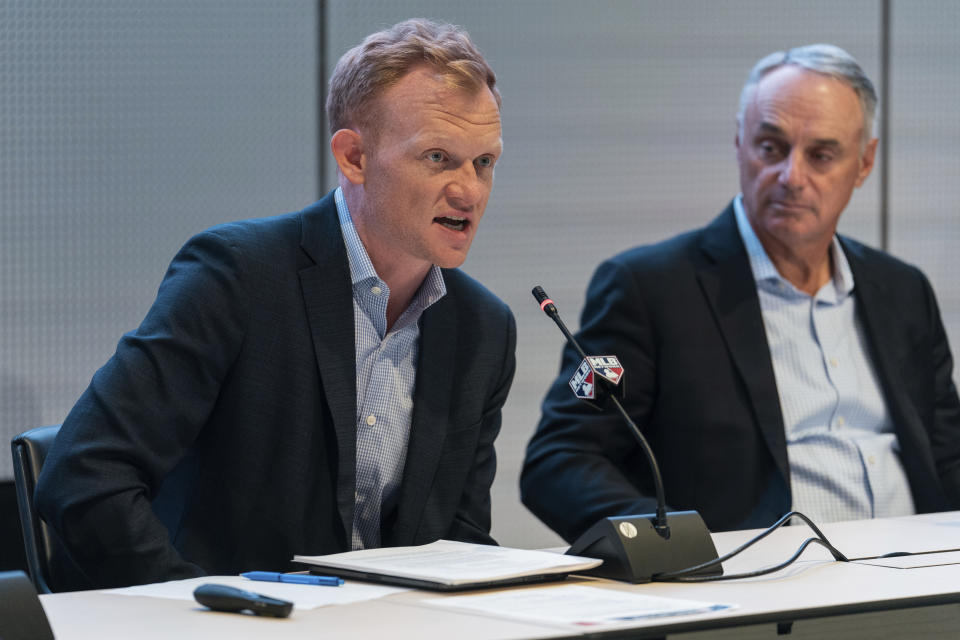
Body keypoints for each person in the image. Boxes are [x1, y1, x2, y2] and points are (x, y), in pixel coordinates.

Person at [36, 18, 515, 590]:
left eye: (483, 162)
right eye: (438, 157)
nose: (469, 190)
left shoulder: (483, 328)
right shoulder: (238, 275)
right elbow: (85, 477)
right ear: (354, 157)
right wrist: (205, 613)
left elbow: (458, 543)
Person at [521, 44, 960, 543]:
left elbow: (946, 458)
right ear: (738, 142)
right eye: (771, 147)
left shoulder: (901, 291)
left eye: (821, 155)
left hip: (922, 581)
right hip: (761, 592)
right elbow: (560, 462)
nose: (792, 177)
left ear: (864, 163)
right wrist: (681, 546)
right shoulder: (650, 289)